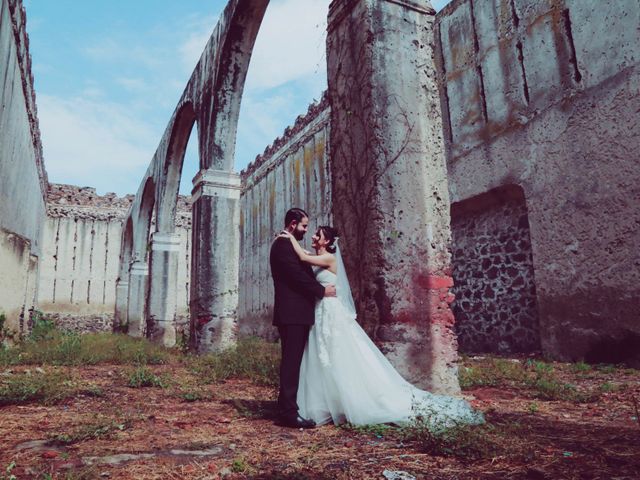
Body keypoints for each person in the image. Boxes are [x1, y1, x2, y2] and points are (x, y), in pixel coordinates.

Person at [278, 226, 484, 429]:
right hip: (321, 311)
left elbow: (304, 258)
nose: (313, 236)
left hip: (331, 313)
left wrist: (289, 237)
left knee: (338, 353)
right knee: (322, 355)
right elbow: (305, 258)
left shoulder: (329, 259)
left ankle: (355, 399)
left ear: (327, 242)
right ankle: (329, 400)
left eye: (318, 235)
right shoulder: (319, 259)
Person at [269, 208, 336, 429]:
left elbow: (302, 263)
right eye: (304, 226)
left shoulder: (288, 243)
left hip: (296, 313)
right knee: (291, 362)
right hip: (292, 314)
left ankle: (287, 407)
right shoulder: (282, 245)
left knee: (294, 361)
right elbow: (296, 277)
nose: (306, 231)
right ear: (292, 225)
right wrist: (321, 291)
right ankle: (288, 413)